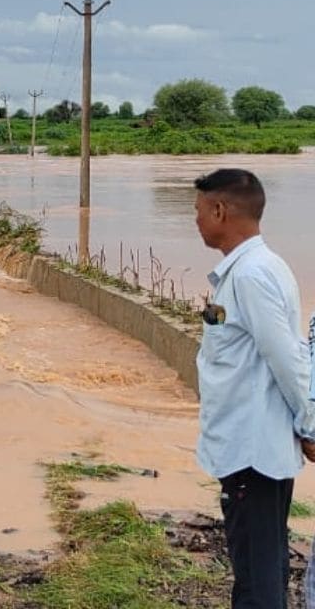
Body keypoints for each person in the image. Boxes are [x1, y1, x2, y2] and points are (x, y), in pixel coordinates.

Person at [193, 168, 315, 607]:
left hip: (252, 451)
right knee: (262, 564)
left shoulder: (250, 276)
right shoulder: (255, 268)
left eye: (200, 211)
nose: (197, 220)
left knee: (258, 577)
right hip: (251, 445)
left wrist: (311, 425)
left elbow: (287, 356)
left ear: (221, 211)